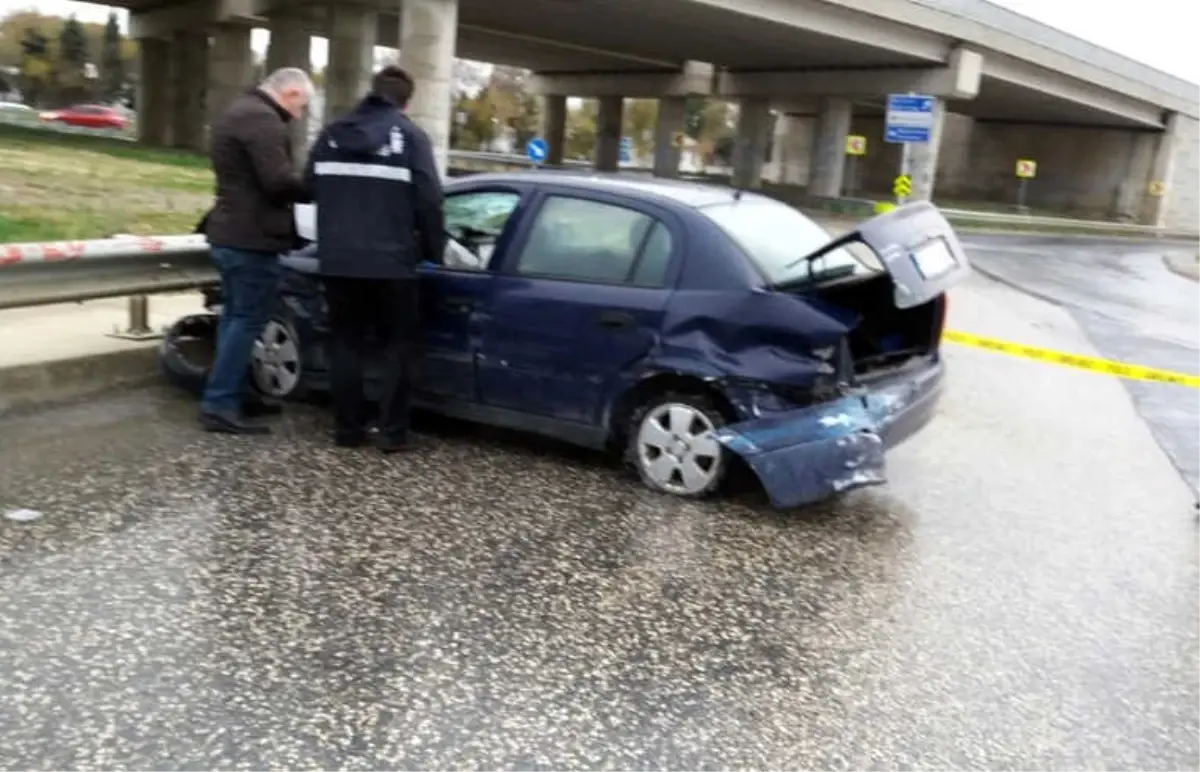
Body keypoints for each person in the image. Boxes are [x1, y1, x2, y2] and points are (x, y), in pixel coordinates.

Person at [303, 65, 445, 452]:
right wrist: (434, 251)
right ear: (406, 101)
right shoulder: (411, 137)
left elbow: (307, 188)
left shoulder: (331, 134)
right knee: (399, 346)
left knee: (345, 344)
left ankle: (348, 431)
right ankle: (392, 433)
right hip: (393, 264)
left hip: (338, 261)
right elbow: (430, 199)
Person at [199, 67, 314, 434]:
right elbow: (277, 182)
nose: (300, 114)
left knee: (236, 319)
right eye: (302, 105)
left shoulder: (239, 111)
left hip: (230, 232)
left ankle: (233, 393)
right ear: (291, 93)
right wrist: (317, 187)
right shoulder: (263, 120)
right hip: (251, 238)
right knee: (246, 320)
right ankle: (219, 403)